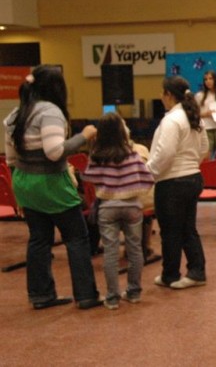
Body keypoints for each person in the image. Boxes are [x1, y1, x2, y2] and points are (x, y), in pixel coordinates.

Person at [2, 65, 103, 310]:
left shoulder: (16, 114)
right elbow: (54, 151)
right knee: (77, 238)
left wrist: (20, 193)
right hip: (51, 184)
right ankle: (86, 296)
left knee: (39, 239)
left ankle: (41, 296)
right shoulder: (50, 112)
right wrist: (84, 135)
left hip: (25, 184)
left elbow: (11, 159)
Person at [82, 112, 154, 309]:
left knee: (110, 253)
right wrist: (135, 190)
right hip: (132, 207)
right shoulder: (132, 154)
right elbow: (148, 178)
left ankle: (112, 297)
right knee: (135, 249)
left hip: (108, 207)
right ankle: (134, 292)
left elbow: (89, 178)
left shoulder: (97, 155)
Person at [147, 75, 209, 290]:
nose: (160, 96)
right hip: (192, 177)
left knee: (170, 231)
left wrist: (149, 172)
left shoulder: (172, 120)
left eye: (162, 92)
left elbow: (165, 154)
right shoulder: (194, 117)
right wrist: (191, 165)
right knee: (187, 229)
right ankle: (193, 271)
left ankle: (172, 274)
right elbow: (204, 148)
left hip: (172, 182)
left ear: (169, 95)